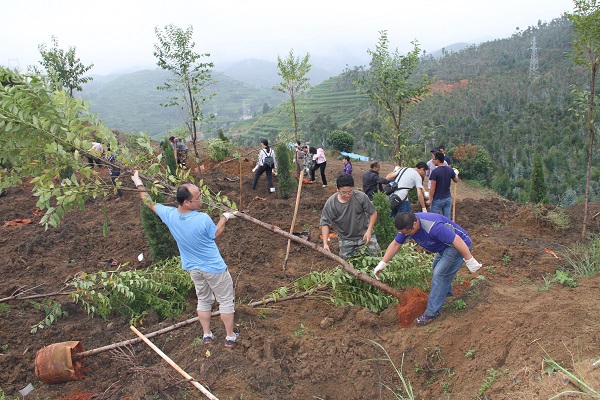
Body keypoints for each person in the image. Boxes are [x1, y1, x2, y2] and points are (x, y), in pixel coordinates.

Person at [131, 171, 239, 347]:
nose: (201, 199)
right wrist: (224, 217)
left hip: (193, 268)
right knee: (226, 300)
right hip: (214, 268)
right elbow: (216, 233)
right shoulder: (202, 218)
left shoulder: (170, 215)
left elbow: (147, 201)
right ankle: (229, 336)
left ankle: (207, 335)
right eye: (197, 197)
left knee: (203, 299)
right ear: (187, 202)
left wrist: (138, 183)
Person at [374, 212, 482, 325]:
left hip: (457, 246)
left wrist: (469, 259)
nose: (405, 235)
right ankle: (446, 294)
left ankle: (431, 313)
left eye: (407, 233)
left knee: (439, 274)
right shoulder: (407, 226)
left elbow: (457, 240)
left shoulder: (433, 227)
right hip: (443, 247)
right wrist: (382, 263)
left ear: (415, 224)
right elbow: (396, 244)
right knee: (436, 267)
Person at [320, 174, 380, 259]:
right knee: (348, 266)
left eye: (350, 191)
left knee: (375, 260)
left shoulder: (361, 197)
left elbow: (373, 213)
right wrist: (325, 243)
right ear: (337, 189)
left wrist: (369, 230)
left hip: (364, 235)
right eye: (344, 192)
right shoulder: (331, 203)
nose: (347, 195)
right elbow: (325, 223)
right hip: (346, 239)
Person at [427, 152, 458, 218]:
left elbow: (433, 188)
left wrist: (430, 199)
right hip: (447, 198)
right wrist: (456, 174)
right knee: (447, 219)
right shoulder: (450, 170)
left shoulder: (435, 172)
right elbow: (456, 180)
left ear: (438, 160)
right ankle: (448, 228)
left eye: (434, 159)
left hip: (437, 199)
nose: (433, 161)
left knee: (434, 219)